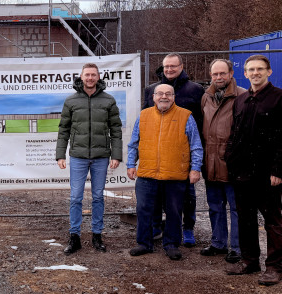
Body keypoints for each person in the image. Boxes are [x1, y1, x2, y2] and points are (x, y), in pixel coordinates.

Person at [226, 55, 282, 286]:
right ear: (244, 74)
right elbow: (235, 134)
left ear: (269, 72)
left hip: (268, 173)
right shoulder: (241, 100)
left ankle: (275, 267)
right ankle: (249, 261)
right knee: (245, 219)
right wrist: (230, 160)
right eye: (251, 70)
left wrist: (280, 171)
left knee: (272, 220)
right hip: (242, 172)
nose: (255, 73)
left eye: (260, 69)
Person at [127, 84, 203, 260]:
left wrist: (195, 168)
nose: (164, 97)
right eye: (160, 93)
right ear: (153, 97)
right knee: (144, 210)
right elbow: (133, 143)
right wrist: (131, 164)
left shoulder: (186, 116)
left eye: (168, 94)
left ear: (174, 97)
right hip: (147, 173)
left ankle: (171, 244)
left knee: (174, 211)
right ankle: (144, 243)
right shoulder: (144, 116)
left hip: (175, 174)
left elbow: (196, 147)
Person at [56, 63, 123, 254]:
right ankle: (74, 236)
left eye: (94, 75)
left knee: (97, 197)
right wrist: (60, 154)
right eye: (87, 75)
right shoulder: (71, 101)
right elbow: (64, 130)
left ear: (98, 77)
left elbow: (116, 130)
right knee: (76, 197)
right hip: (78, 156)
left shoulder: (108, 101)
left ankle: (97, 235)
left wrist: (116, 154)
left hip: (101, 157)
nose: (90, 78)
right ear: (81, 76)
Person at [143, 53, 204, 247]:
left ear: (181, 66)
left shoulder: (195, 90)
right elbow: (146, 119)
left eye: (173, 66)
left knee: (187, 196)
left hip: (183, 155)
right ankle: (156, 227)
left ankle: (187, 229)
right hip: (158, 155)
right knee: (156, 195)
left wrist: (196, 160)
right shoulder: (151, 89)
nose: (169, 69)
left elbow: (201, 124)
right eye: (166, 66)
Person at [200, 59, 245, 264]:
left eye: (222, 74)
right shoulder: (206, 97)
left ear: (231, 73)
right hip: (210, 163)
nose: (219, 77)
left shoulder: (243, 96)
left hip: (233, 163)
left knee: (237, 208)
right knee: (215, 206)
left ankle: (237, 247)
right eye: (215, 74)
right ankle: (218, 242)